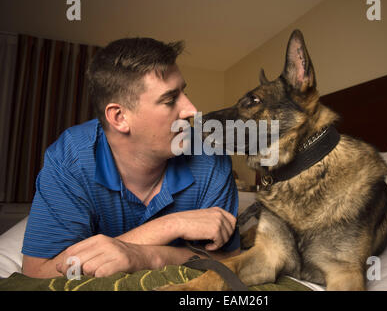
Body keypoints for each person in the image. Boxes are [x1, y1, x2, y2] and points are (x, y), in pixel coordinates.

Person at [21, 37, 240, 278]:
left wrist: (149, 257)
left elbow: (231, 259)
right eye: (169, 100)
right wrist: (170, 226)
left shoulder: (212, 159)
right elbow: (37, 272)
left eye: (183, 92)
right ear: (119, 117)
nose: (191, 110)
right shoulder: (70, 158)